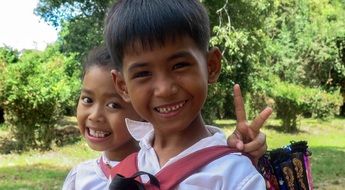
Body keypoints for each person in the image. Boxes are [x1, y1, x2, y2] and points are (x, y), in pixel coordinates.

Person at [105, 0, 272, 189]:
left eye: (179, 65)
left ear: (211, 66)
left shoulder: (233, 175)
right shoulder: (125, 174)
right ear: (123, 86)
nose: (164, 89)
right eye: (143, 74)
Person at [62, 46, 271, 190]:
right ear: (125, 87)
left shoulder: (225, 171)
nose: (163, 90)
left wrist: (238, 156)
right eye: (87, 99)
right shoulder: (87, 176)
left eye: (114, 105)